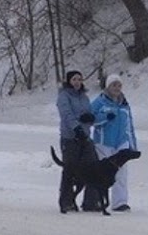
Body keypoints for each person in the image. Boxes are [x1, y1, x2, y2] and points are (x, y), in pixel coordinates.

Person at [91, 74, 138, 212]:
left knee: (122, 173)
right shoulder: (100, 101)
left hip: (121, 143)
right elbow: (90, 119)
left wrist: (132, 145)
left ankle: (120, 202)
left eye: (119, 85)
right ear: (108, 87)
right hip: (104, 142)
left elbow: (130, 126)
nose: (117, 88)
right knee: (102, 173)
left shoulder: (124, 104)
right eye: (114, 85)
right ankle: (99, 200)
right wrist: (105, 117)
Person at [56, 69, 99, 213]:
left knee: (93, 168)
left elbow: (88, 112)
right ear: (69, 81)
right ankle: (66, 201)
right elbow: (66, 114)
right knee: (70, 169)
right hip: (70, 138)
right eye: (74, 79)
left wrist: (90, 119)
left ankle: (91, 202)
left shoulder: (84, 97)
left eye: (79, 79)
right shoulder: (64, 96)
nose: (77, 82)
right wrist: (76, 128)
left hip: (85, 137)